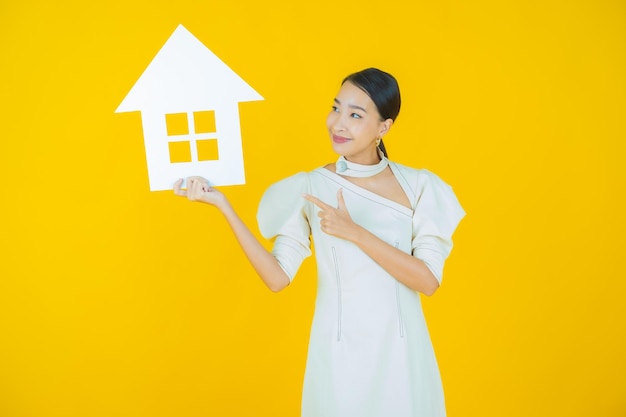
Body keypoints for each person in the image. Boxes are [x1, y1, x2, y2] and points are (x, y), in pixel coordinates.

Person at [174, 68, 465, 417]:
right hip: (339, 356)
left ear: (383, 128)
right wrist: (223, 206)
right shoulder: (310, 187)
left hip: (402, 356)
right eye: (336, 108)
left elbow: (428, 280)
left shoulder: (421, 186)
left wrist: (354, 231)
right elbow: (277, 278)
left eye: (355, 115)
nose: (338, 124)